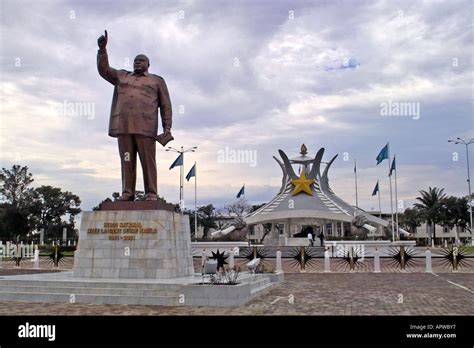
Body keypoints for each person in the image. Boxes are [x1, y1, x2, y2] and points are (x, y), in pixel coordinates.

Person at [97, 30, 172, 201]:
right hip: (124, 127)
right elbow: (104, 70)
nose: (138, 62)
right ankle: (127, 192)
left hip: (146, 128)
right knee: (126, 160)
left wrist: (167, 127)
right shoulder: (122, 76)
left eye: (141, 60)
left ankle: (151, 193)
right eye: (135, 60)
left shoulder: (156, 80)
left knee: (148, 162)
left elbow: (166, 105)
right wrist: (102, 50)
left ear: (148, 64)